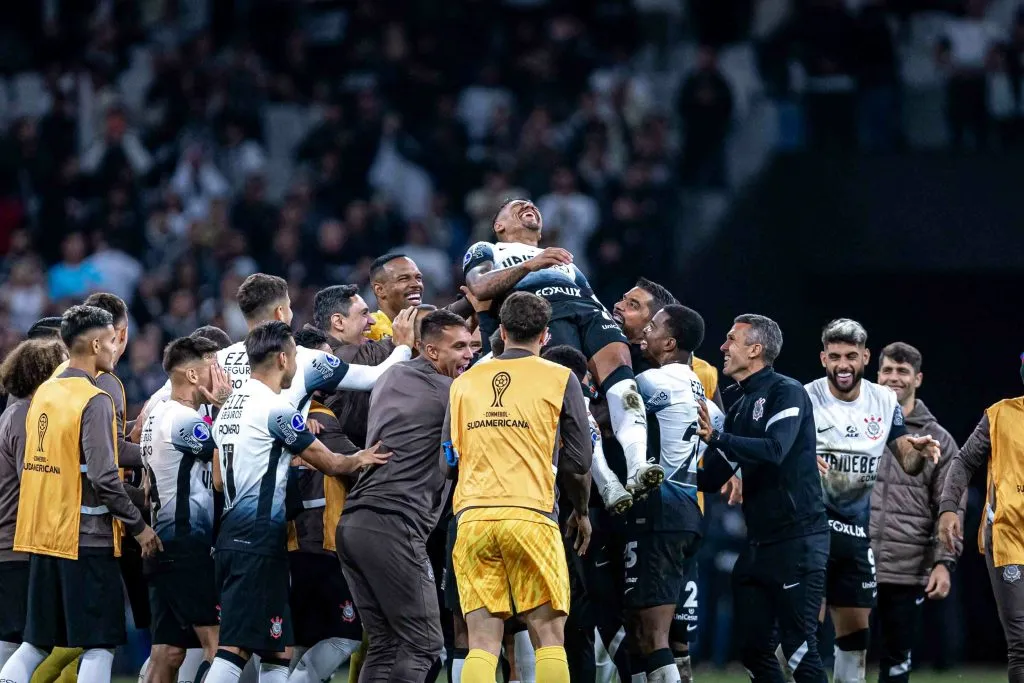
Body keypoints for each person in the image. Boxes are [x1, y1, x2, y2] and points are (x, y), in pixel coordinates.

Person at [205, 321, 392, 683]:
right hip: (256, 540)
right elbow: (331, 462)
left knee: (278, 647)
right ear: (282, 359)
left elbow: (216, 479)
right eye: (294, 358)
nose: (296, 366)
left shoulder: (228, 408)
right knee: (235, 648)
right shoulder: (276, 410)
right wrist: (360, 458)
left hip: (233, 536)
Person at [0, 305, 162, 683]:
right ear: (93, 344)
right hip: (84, 539)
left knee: (34, 643)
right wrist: (140, 527)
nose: (116, 347)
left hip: (43, 541)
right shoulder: (94, 399)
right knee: (99, 644)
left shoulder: (43, 396)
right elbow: (104, 478)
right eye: (110, 340)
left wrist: (153, 449)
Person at [443, 292, 593, 683]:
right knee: (548, 635)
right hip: (530, 515)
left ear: (503, 332)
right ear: (545, 336)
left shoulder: (464, 382)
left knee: (482, 641)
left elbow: (447, 462)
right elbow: (579, 461)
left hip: (473, 518)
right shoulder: (560, 378)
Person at [462, 199, 659, 496]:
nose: (528, 204)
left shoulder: (561, 259)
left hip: (588, 311)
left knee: (623, 381)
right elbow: (479, 287)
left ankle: (638, 466)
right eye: (516, 205)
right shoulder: (487, 249)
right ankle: (607, 484)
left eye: (530, 203)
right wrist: (531, 265)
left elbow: (588, 295)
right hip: (543, 309)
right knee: (573, 393)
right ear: (498, 225)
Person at [339, 310, 475, 682]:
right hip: (394, 525)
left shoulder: (393, 374)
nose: (468, 355)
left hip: (354, 522)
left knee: (384, 645)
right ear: (430, 351)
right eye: (459, 347)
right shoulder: (452, 393)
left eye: (470, 346)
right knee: (425, 646)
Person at [802, 320, 940, 683]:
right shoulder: (806, 397)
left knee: (856, 641)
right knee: (801, 633)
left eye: (851, 356)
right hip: (811, 530)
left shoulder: (883, 400)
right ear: (823, 358)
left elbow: (906, 461)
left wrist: (920, 452)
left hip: (853, 534)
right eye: (834, 356)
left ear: (864, 357)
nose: (843, 365)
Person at [695, 313, 828, 683]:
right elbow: (714, 476)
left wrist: (717, 438)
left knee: (800, 649)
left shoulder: (788, 390)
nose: (723, 347)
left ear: (755, 350)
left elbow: (774, 449)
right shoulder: (738, 406)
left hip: (798, 541)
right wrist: (666, 474)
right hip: (758, 546)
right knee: (753, 651)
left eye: (731, 340)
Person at [628, 305, 729, 683]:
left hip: (661, 511)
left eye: (652, 327)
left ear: (669, 343)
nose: (645, 332)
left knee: (653, 634)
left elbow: (613, 412)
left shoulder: (656, 382)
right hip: (689, 506)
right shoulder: (699, 389)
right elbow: (720, 437)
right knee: (647, 630)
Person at [870, 342, 964, 683]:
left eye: (902, 371)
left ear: (918, 378)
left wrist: (944, 562)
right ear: (877, 374)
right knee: (842, 658)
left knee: (896, 664)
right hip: (851, 562)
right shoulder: (855, 424)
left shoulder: (939, 439)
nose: (894, 378)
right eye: (888, 370)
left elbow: (950, 508)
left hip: (906, 568)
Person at [141, 336, 232, 683]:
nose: (221, 375)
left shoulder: (155, 415)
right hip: (186, 546)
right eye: (213, 366)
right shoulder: (184, 420)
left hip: (162, 545)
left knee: (168, 651)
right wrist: (225, 410)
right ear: (193, 375)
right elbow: (223, 476)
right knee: (218, 644)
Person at [938, 352, 1024, 683]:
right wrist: (948, 508)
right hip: (1009, 536)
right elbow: (962, 462)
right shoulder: (1000, 415)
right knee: (1021, 644)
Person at [287, 327, 364, 683]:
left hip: (291, 543)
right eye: (323, 361)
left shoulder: (281, 411)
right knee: (346, 635)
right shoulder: (320, 417)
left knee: (303, 639)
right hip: (321, 542)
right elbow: (350, 463)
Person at [0, 339, 68, 671]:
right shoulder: (27, 417)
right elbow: (36, 482)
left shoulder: (13, 414)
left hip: (11, 544)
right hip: (17, 546)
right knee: (22, 640)